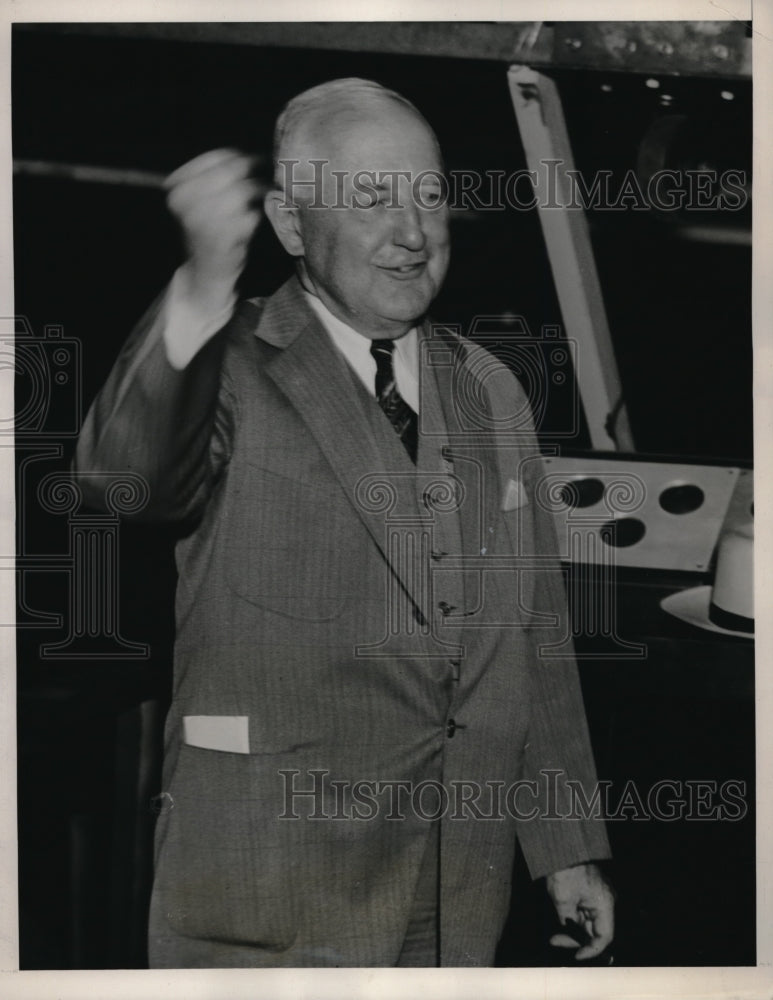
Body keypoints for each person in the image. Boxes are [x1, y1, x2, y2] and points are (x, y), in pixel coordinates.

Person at [74, 77, 614, 968]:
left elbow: (534, 634)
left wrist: (563, 847)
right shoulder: (232, 367)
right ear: (290, 225)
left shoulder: (491, 389)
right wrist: (204, 282)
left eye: (429, 195)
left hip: (453, 896)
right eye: (371, 199)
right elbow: (119, 484)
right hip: (268, 891)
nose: (411, 232)